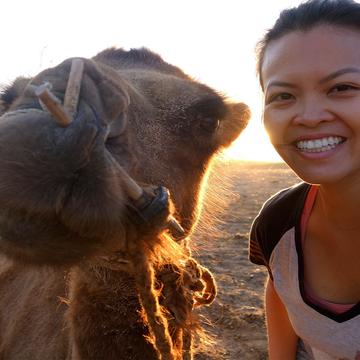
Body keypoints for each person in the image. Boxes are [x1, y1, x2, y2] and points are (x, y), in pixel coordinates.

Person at [249, 0, 360, 359]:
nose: (309, 116)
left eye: (342, 87)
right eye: (283, 96)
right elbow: (283, 290)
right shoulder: (278, 222)